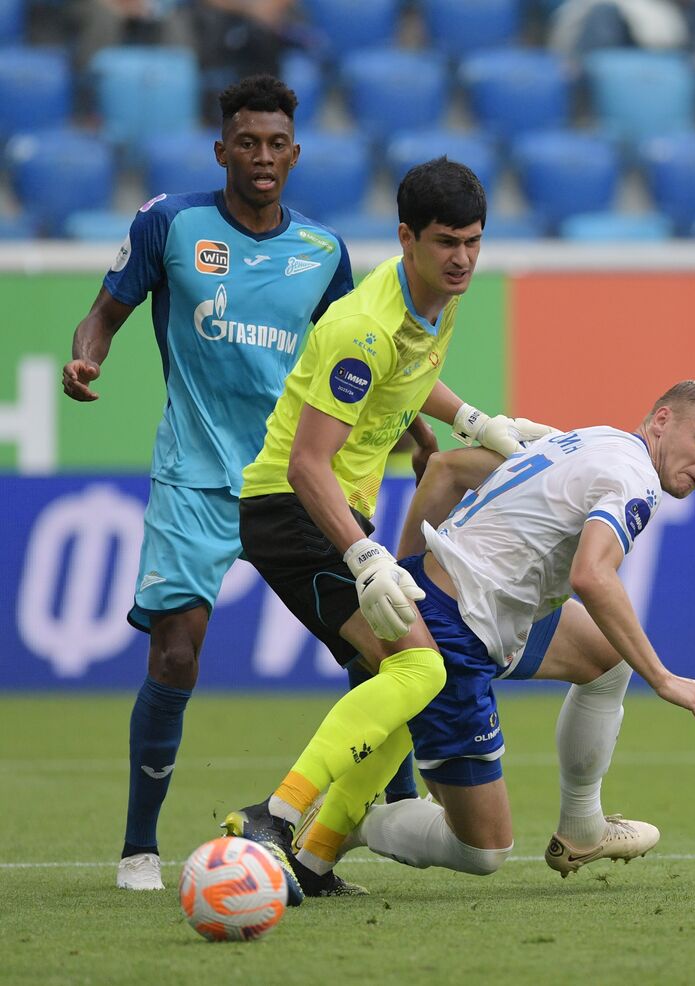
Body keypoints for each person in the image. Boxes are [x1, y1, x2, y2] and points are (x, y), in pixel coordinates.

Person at [221, 155, 553, 898]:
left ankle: (316, 858)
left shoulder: (439, 294)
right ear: (406, 237)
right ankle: (275, 818)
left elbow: (410, 374)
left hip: (340, 509)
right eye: (446, 242)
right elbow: (308, 465)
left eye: (473, 240)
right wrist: (366, 555)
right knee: (422, 668)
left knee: (403, 678)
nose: (463, 257)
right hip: (293, 510)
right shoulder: (363, 328)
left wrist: (473, 420)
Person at [61, 75, 353, 892]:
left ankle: (350, 839)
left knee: (375, 650)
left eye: (276, 145)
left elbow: (354, 363)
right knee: (178, 654)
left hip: (292, 481)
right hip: (194, 477)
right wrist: (90, 355)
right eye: (247, 144)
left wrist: (417, 432)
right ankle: (138, 851)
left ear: (294, 154)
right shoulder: (170, 224)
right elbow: (103, 313)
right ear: (221, 150)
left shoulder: (324, 252)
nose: (262, 158)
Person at [288, 382, 695, 883]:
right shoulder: (636, 478)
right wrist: (662, 677)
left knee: (607, 658)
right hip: (458, 635)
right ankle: (347, 821)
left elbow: (445, 470)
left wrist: (407, 579)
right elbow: (592, 575)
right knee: (482, 850)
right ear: (661, 420)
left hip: (468, 608)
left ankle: (582, 829)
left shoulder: (590, 439)